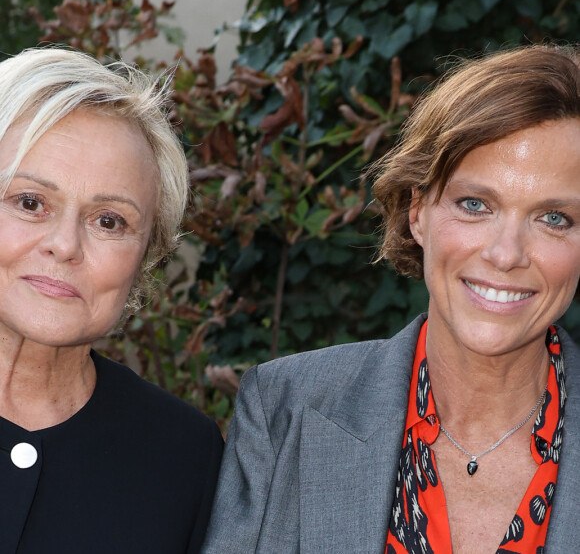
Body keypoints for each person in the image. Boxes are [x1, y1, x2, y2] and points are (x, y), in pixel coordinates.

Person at [202, 44, 580, 553]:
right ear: (417, 210)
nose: (506, 254)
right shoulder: (285, 410)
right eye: (475, 204)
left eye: (554, 218)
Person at [0, 47, 223, 553]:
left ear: (148, 255)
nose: (65, 245)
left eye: (109, 221)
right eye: (30, 202)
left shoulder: (184, 456)